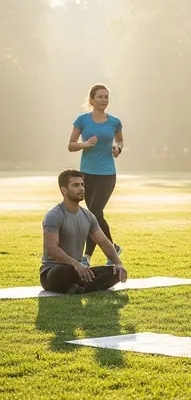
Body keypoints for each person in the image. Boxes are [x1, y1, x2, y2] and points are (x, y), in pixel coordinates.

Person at [41, 169, 128, 295]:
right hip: (53, 272)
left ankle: (79, 288)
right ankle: (82, 285)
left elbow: (103, 242)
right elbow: (52, 248)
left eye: (82, 185)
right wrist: (76, 264)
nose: (81, 188)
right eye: (76, 185)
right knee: (65, 272)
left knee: (114, 272)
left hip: (79, 269)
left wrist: (118, 263)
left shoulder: (88, 216)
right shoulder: (53, 216)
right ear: (63, 190)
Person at [68, 84, 124, 266]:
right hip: (86, 175)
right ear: (91, 100)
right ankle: (112, 249)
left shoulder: (114, 121)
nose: (104, 100)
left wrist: (117, 148)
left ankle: (87, 256)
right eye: (100, 97)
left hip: (107, 174)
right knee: (95, 215)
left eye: (106, 97)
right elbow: (71, 145)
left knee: (93, 213)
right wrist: (85, 144)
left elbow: (120, 140)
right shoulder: (82, 120)